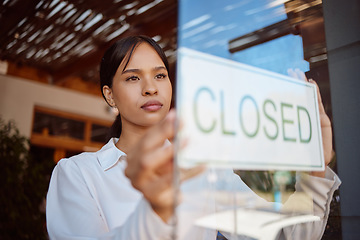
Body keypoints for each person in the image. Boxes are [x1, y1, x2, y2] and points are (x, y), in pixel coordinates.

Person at [46, 35, 341, 240]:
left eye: (160, 75)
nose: (150, 88)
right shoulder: (78, 174)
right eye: (133, 77)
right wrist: (156, 211)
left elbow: (285, 235)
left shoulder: (204, 170)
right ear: (109, 95)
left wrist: (314, 171)